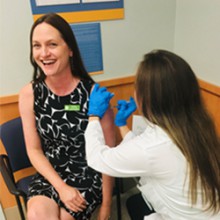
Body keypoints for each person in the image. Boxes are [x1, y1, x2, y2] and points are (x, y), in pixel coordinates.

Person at [85, 50, 220, 220]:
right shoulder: (195, 125)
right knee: (135, 203)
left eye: (136, 87)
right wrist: (121, 125)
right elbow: (149, 153)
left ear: (147, 98)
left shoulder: (155, 146)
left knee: (135, 205)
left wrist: (93, 115)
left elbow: (97, 158)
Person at [19, 13, 115, 220]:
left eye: (52, 44)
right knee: (37, 214)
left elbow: (109, 155)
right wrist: (61, 187)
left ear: (70, 49)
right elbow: (34, 150)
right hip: (50, 173)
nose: (44, 53)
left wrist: (106, 206)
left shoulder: (94, 94)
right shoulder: (29, 94)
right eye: (37, 46)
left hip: (87, 174)